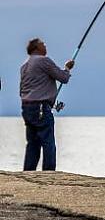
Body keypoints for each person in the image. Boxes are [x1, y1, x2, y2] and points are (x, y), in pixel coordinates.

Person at [19, 38, 74, 171]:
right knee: (48, 142)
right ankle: (49, 174)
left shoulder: (24, 65)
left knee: (33, 144)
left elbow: (26, 89)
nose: (45, 46)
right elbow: (63, 78)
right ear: (36, 48)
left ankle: (28, 173)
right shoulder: (43, 61)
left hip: (27, 108)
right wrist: (67, 68)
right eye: (43, 44)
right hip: (41, 108)